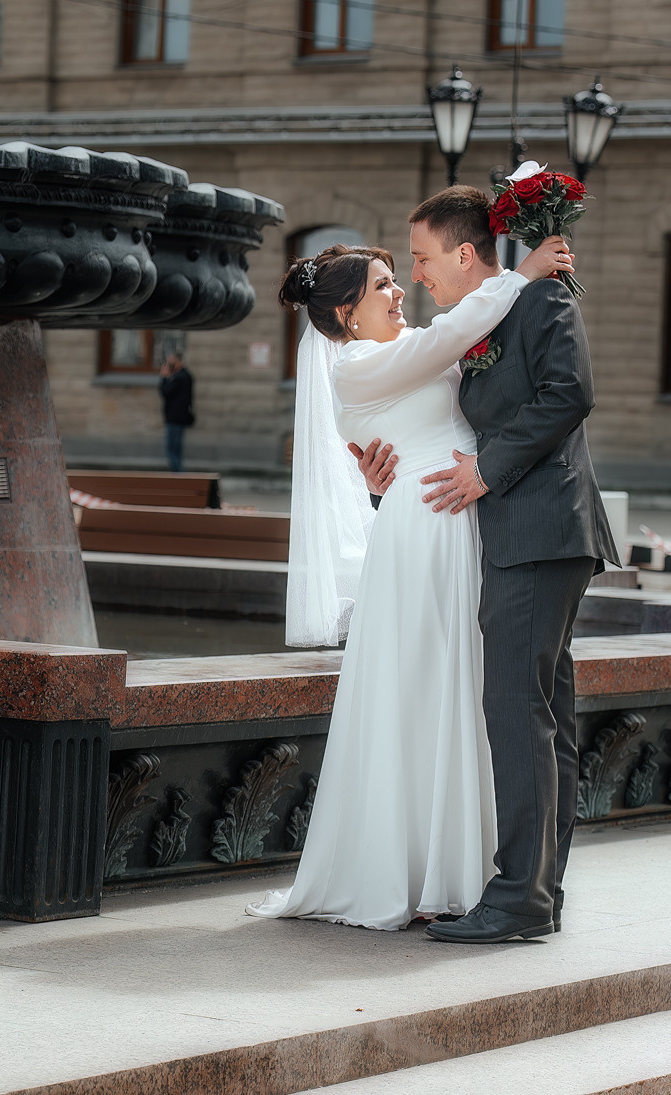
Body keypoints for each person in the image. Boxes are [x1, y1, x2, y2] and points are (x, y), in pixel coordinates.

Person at [249, 232, 574, 930]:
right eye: (381, 286)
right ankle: (415, 871)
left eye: (398, 279)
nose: (400, 292)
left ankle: (472, 869)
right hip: (422, 535)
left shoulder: (404, 349)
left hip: (463, 524)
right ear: (345, 316)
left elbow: (454, 361)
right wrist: (522, 273)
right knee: (423, 688)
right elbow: (451, 339)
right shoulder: (357, 368)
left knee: (463, 691)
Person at [357, 175, 616, 945]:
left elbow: (570, 392)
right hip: (517, 536)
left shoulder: (542, 298)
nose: (417, 275)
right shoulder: (489, 314)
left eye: (422, 257)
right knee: (543, 718)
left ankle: (518, 898)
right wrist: (391, 487)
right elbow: (450, 437)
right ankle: (538, 891)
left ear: (464, 253)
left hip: (540, 532)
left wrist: (488, 470)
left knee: (517, 713)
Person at [158, 353, 194, 473]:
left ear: (179, 362)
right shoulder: (186, 376)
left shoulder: (180, 378)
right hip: (178, 418)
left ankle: (179, 476)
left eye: (172, 364)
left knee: (172, 451)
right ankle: (178, 476)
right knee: (175, 450)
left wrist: (164, 377)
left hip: (175, 419)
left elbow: (166, 392)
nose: (169, 366)